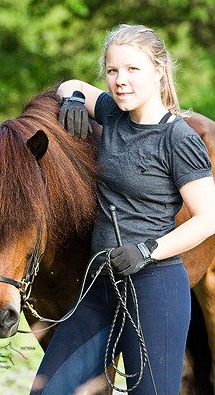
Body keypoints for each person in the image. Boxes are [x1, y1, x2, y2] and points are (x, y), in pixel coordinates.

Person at [30, 24, 215, 395]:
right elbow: (72, 85)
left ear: (159, 72)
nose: (120, 81)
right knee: (50, 390)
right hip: (100, 286)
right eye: (112, 70)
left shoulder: (178, 139)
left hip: (154, 287)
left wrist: (147, 250)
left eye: (133, 69)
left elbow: (208, 217)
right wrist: (69, 99)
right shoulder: (113, 113)